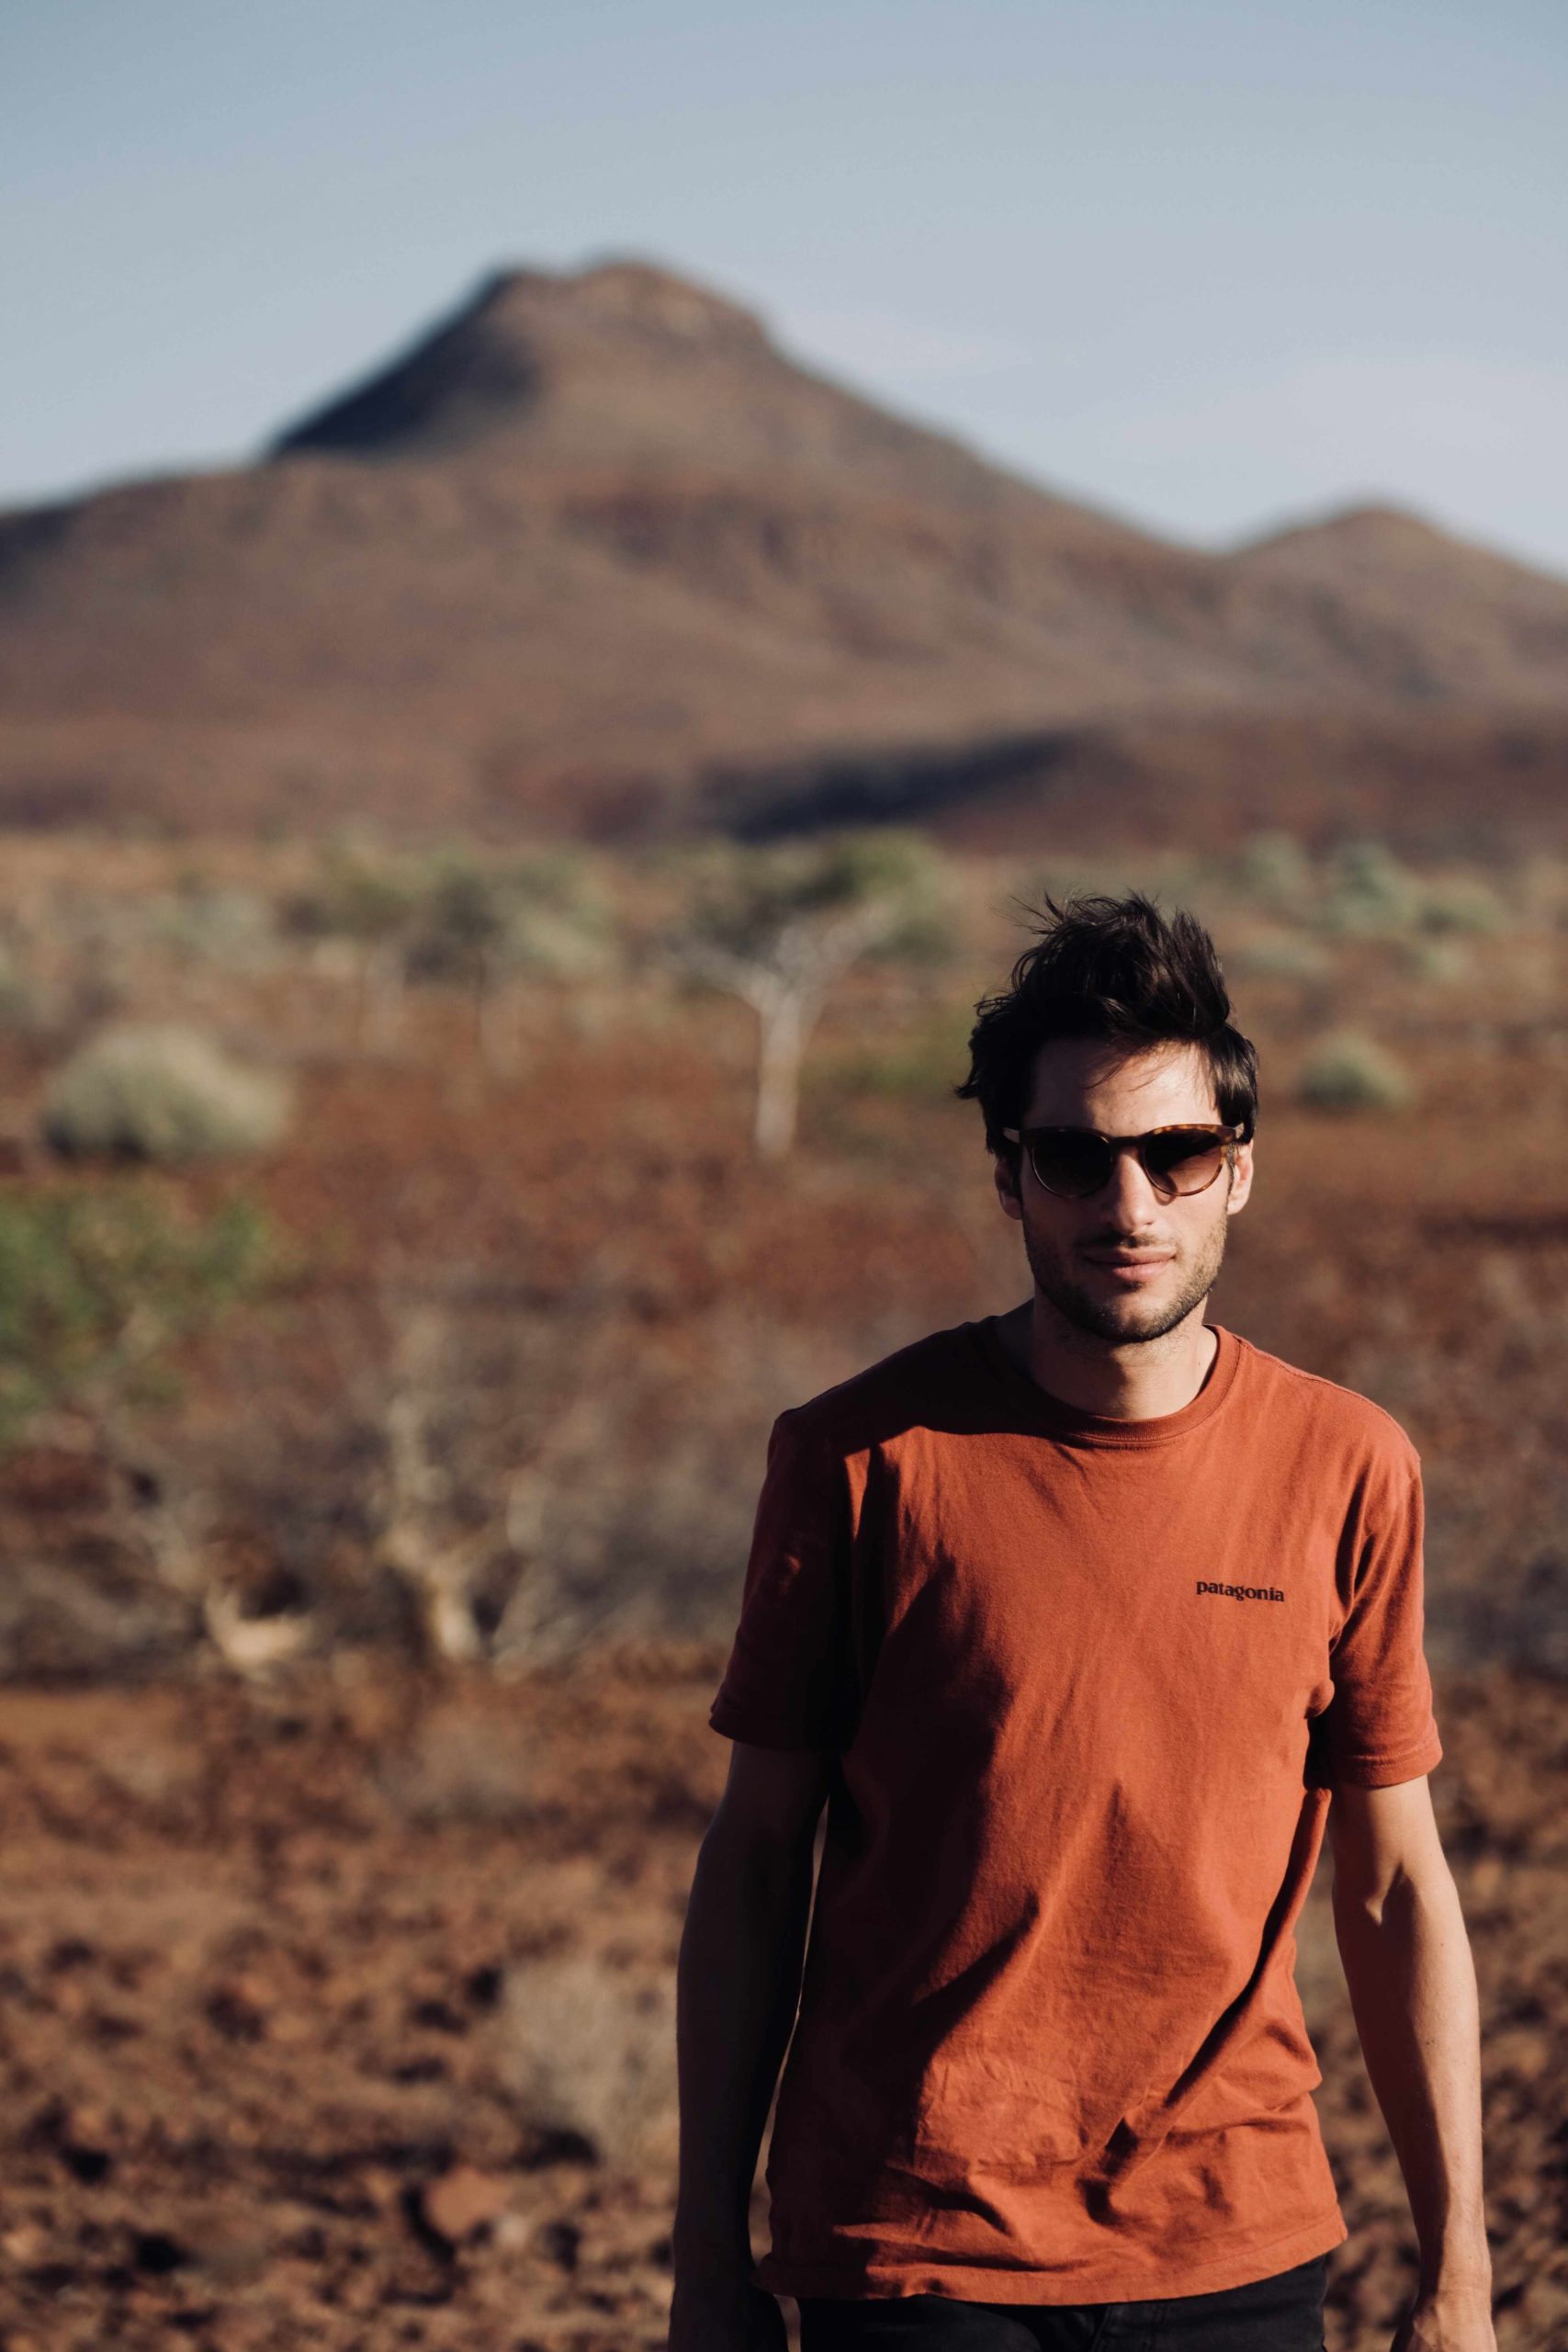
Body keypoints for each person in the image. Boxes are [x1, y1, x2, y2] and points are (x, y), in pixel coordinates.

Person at [670, 891, 1495, 2352]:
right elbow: (756, 1859)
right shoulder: (859, 1459)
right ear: (1011, 1178)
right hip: (914, 2250)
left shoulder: (1347, 1466)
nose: (1130, 1207)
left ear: (1239, 1171)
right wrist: (705, 2254)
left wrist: (1461, 2275)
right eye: (1075, 1157)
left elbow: (1395, 1890)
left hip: (1231, 2238)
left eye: (1177, 1155)